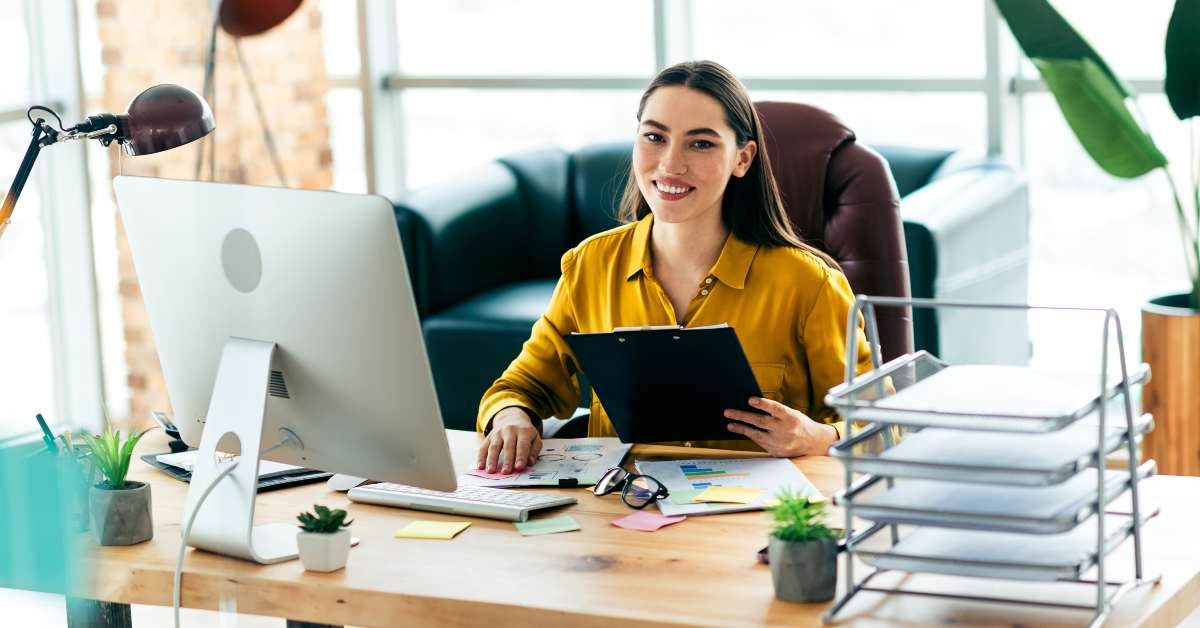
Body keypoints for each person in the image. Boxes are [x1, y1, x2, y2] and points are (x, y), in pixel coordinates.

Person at [475, 60, 873, 474]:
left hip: (751, 524)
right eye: (654, 137)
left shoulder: (809, 284)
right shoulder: (590, 265)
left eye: (700, 144)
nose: (670, 164)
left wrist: (820, 437)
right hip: (620, 515)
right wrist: (511, 417)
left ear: (742, 158)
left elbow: (882, 428)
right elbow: (519, 388)